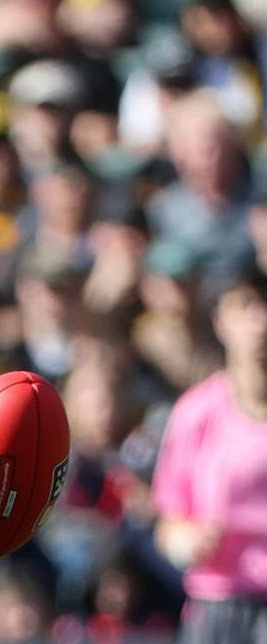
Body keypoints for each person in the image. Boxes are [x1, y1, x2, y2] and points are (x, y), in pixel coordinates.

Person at [151, 265, 267, 644]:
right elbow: (168, 522)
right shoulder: (196, 412)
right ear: (220, 321)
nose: (259, 322)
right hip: (218, 605)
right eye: (246, 306)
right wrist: (186, 541)